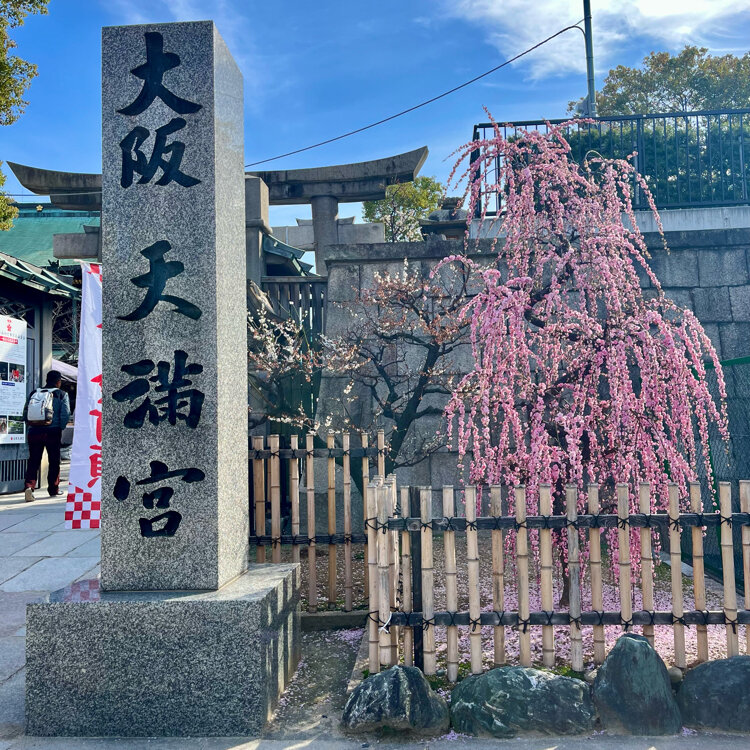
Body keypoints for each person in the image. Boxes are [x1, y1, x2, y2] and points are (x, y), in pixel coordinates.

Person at [23, 370, 71, 502]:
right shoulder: (61, 394)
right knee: (54, 461)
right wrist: (60, 427)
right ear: (58, 381)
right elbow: (65, 414)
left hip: (34, 431)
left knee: (33, 460)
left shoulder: (35, 393)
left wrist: (31, 426)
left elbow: (26, 412)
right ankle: (53, 489)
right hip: (52, 432)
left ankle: (29, 487)